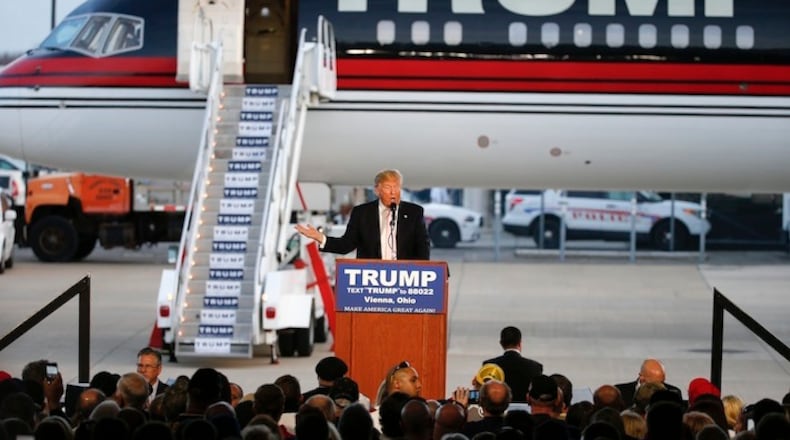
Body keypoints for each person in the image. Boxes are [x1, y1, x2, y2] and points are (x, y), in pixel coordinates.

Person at [295, 169, 430, 260]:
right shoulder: (362, 213)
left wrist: (422, 272)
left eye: (396, 187)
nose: (393, 192)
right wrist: (321, 238)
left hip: (405, 279)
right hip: (371, 279)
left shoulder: (414, 212)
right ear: (377, 190)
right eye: (388, 187)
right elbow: (346, 245)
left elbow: (422, 247)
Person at [482, 326, 543, 403]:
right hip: (526, 409)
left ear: (501, 343)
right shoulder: (536, 367)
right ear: (520, 343)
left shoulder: (489, 365)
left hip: (498, 408)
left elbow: (484, 393)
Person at [614, 358, 682, 408]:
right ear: (642, 378)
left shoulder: (674, 394)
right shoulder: (620, 391)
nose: (660, 386)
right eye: (655, 383)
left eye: (662, 382)